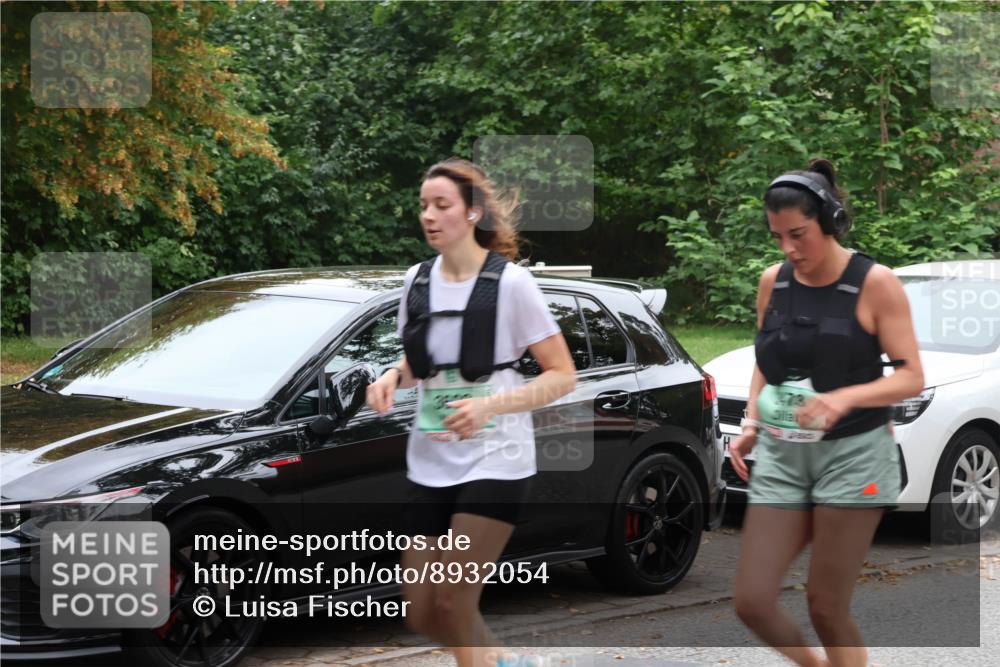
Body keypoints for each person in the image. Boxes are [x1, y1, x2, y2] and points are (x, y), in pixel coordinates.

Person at [365, 158, 577, 667]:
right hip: (431, 456)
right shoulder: (417, 281)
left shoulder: (510, 285)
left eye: (442, 205)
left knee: (454, 601)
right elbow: (420, 363)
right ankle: (505, 662)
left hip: (496, 456)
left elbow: (561, 374)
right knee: (421, 612)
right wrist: (392, 378)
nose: (429, 216)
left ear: (472, 213)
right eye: (423, 206)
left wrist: (490, 405)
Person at [729, 158, 924, 667]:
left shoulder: (874, 283)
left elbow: (910, 376)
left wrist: (844, 397)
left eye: (799, 234)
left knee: (826, 605)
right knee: (751, 601)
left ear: (831, 223)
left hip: (855, 456)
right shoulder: (774, 281)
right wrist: (751, 421)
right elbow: (767, 361)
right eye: (778, 237)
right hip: (782, 452)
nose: (789, 250)